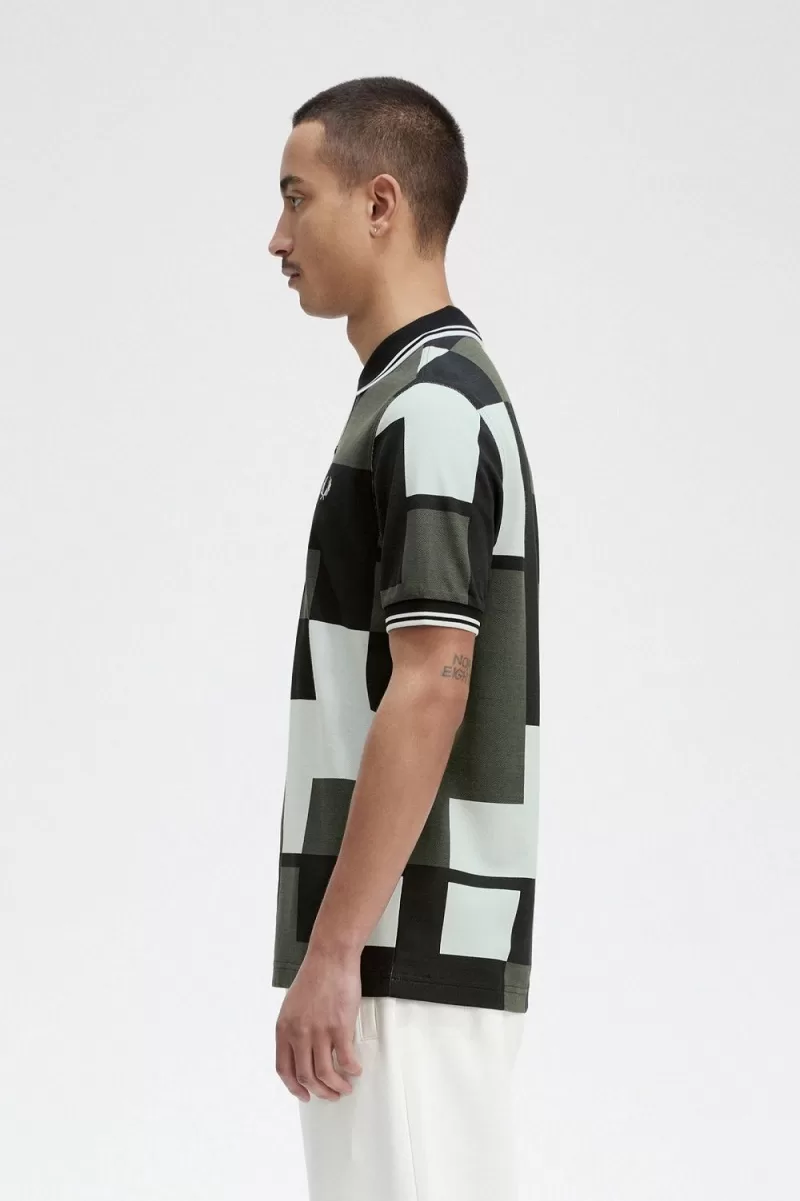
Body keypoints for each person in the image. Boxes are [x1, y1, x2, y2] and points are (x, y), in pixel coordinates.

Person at [268, 75, 540, 1201]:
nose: (277, 237)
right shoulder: (420, 394)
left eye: (298, 197)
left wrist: (335, 949)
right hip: (406, 939)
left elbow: (432, 679)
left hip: (403, 942)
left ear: (379, 203)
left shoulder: (430, 404)